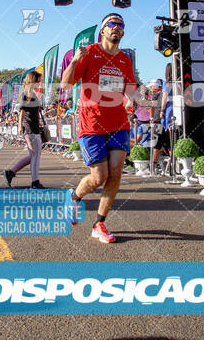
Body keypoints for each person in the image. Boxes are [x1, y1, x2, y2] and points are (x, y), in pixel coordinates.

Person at [61, 13, 137, 243]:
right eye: (111, 24)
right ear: (103, 30)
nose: (116, 28)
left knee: (116, 172)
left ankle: (99, 224)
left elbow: (130, 89)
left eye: (120, 25)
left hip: (118, 124)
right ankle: (74, 197)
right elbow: (66, 83)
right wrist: (75, 60)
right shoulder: (90, 52)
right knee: (99, 176)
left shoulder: (125, 59)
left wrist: (135, 99)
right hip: (92, 123)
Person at [3, 71, 45, 189]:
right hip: (30, 127)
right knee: (36, 154)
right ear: (34, 80)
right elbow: (22, 111)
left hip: (33, 126)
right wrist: (19, 125)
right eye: (39, 80)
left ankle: (11, 172)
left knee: (33, 155)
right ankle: (35, 182)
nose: (40, 83)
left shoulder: (31, 93)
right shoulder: (26, 94)